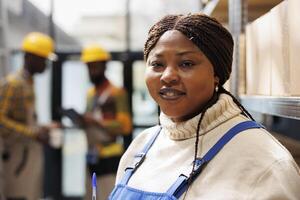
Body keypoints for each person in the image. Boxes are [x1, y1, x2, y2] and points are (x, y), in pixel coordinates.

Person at [109, 13, 300, 199]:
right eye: (157, 64)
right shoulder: (140, 147)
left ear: (216, 73)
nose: (167, 76)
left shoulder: (265, 163)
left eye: (186, 63)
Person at [0, 32, 58, 200]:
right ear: (31, 57)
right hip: (17, 159)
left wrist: (43, 128)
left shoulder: (28, 84)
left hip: (28, 156)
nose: (46, 64)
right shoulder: (13, 84)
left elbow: (22, 120)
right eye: (44, 59)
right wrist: (34, 133)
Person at [80, 44, 132, 200]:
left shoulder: (117, 93)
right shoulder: (90, 94)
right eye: (89, 67)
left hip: (110, 157)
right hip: (92, 155)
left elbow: (125, 126)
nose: (91, 71)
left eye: (95, 66)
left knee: (107, 195)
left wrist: (97, 122)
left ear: (104, 66)